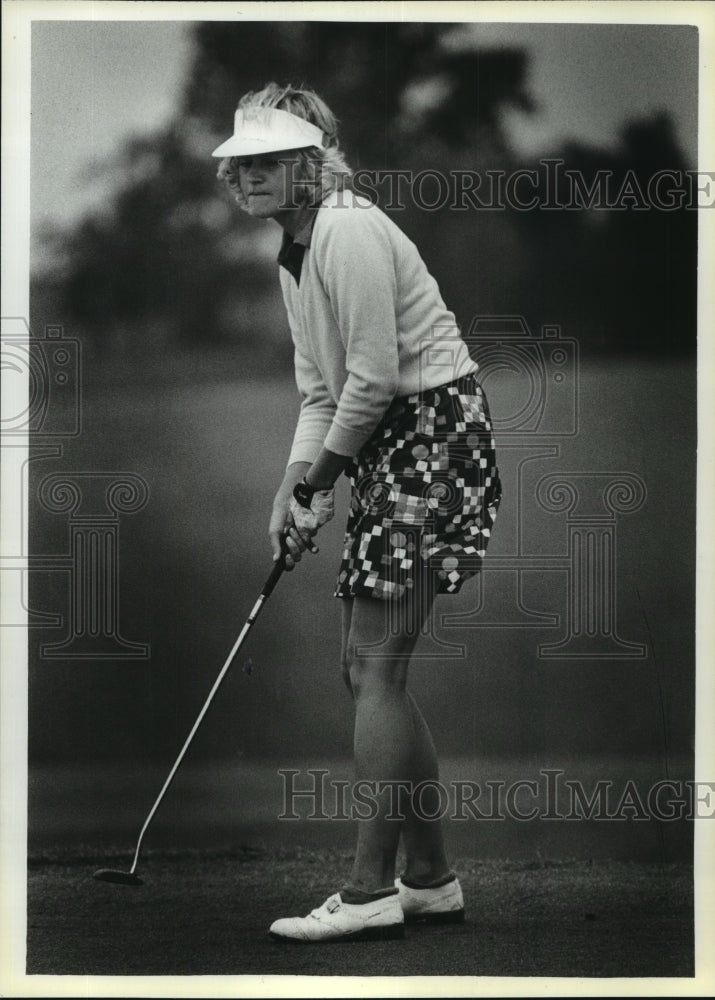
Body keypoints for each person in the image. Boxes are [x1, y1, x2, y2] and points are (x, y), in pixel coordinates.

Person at [214, 82, 501, 942]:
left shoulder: (345, 229)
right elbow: (320, 388)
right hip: (391, 443)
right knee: (365, 666)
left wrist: (323, 478)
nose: (248, 178)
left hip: (431, 439)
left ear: (311, 162)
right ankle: (429, 879)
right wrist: (293, 482)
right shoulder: (295, 252)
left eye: (267, 162)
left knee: (374, 666)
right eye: (239, 167)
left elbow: (373, 378)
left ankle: (371, 889)